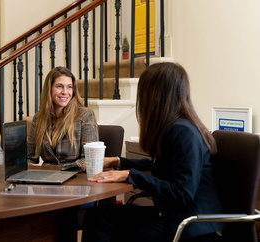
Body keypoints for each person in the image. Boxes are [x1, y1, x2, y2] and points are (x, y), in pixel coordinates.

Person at [82, 62, 225, 242]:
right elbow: (163, 167)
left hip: (189, 226)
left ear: (156, 96)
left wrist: (130, 175)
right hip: (176, 217)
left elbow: (182, 194)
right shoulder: (177, 127)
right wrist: (118, 162)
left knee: (100, 220)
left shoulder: (183, 132)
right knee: (100, 216)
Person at [27, 66, 99, 169]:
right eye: (59, 86)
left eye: (69, 87)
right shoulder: (39, 119)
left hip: (76, 177)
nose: (65, 92)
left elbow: (89, 159)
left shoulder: (86, 116)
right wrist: (32, 168)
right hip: (47, 178)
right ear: (49, 89)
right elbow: (29, 157)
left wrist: (61, 172)